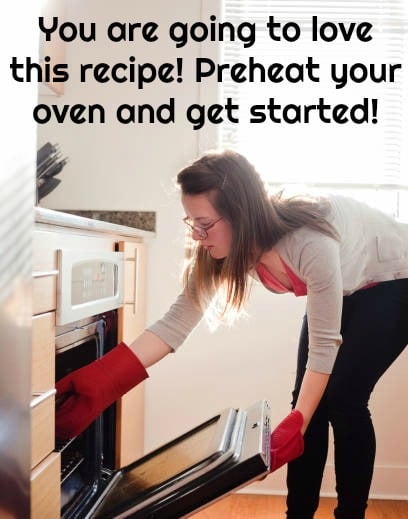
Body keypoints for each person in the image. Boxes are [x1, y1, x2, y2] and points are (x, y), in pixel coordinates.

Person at [55, 150, 408, 519]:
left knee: (343, 400)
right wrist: (102, 380)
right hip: (348, 281)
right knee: (307, 407)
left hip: (394, 277)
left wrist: (297, 424)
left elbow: (324, 345)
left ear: (241, 213)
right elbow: (176, 322)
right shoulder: (219, 249)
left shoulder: (308, 242)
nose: (197, 234)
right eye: (191, 222)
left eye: (204, 224)